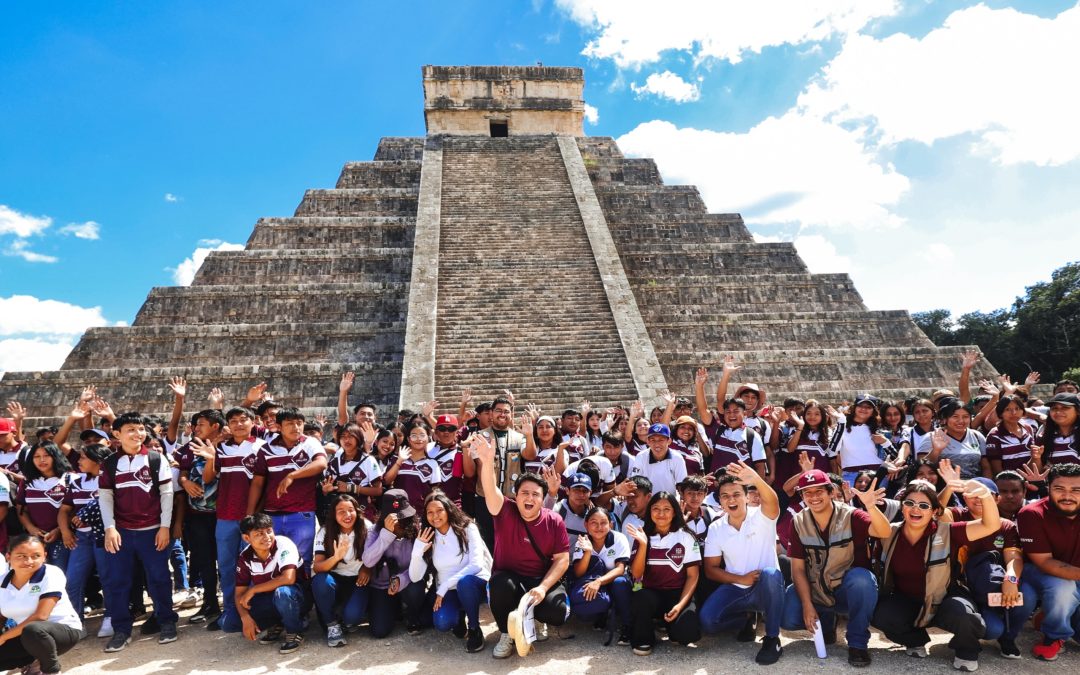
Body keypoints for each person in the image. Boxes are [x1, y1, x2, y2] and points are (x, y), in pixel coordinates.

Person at [863, 477, 1001, 672]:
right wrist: (869, 505)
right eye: (909, 503)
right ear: (902, 507)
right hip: (908, 599)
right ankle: (915, 640)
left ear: (935, 511)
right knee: (880, 614)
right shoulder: (889, 532)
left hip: (946, 598)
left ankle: (966, 650)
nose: (915, 509)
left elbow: (991, 525)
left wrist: (984, 494)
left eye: (923, 505)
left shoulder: (949, 531)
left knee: (967, 617)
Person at [470, 432, 569, 659]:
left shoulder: (554, 520)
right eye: (524, 492)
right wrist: (486, 462)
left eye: (536, 494)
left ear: (543, 499)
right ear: (516, 495)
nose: (530, 498)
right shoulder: (505, 510)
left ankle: (531, 617)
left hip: (538, 580)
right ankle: (506, 633)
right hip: (509, 579)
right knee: (500, 585)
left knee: (557, 611)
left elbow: (562, 560)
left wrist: (543, 588)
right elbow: (490, 489)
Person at [98, 411, 179, 652]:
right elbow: (105, 498)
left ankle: (166, 621)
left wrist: (165, 527)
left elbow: (167, 495)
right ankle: (122, 629)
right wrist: (110, 528)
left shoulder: (156, 459)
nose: (138, 433)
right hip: (121, 533)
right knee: (117, 582)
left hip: (152, 531)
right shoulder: (110, 463)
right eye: (131, 429)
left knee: (159, 579)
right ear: (117, 434)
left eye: (140, 428)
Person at [781, 469, 878, 667]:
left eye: (819, 491)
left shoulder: (852, 515)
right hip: (817, 589)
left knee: (862, 580)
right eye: (807, 492)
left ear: (831, 492)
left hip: (845, 590)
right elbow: (797, 569)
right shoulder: (798, 521)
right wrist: (807, 605)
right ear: (801, 496)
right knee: (788, 618)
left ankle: (858, 644)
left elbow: (882, 531)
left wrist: (870, 506)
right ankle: (827, 622)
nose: (813, 497)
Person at [699, 462, 785, 665]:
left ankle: (772, 638)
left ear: (747, 497)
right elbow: (711, 569)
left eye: (737, 494)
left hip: (765, 588)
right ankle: (746, 618)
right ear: (719, 501)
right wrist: (740, 579)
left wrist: (756, 478)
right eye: (725, 496)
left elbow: (773, 500)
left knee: (772, 574)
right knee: (708, 622)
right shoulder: (716, 528)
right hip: (736, 588)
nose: (731, 499)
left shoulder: (763, 516)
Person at [198, 405, 265, 632]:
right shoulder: (221, 449)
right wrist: (210, 458)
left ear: (253, 422)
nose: (238, 424)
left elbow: (263, 483)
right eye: (233, 420)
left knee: (253, 567)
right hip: (225, 516)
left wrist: (253, 515)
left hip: (253, 519)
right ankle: (230, 613)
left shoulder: (262, 448)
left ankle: (255, 612)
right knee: (227, 568)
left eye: (243, 419)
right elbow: (208, 479)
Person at [247, 407, 328, 576]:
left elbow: (321, 463)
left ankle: (302, 599)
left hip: (301, 514)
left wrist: (293, 475)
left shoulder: (310, 443)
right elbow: (257, 483)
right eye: (290, 423)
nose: (296, 427)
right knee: (272, 559)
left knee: (302, 560)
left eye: (299, 423)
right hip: (272, 516)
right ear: (279, 426)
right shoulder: (266, 449)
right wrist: (250, 514)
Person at [409, 490, 491, 653]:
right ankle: (459, 616)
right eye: (430, 512)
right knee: (442, 622)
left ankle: (474, 628)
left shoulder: (468, 528)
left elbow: (476, 565)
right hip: (449, 591)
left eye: (439, 510)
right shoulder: (429, 535)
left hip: (475, 584)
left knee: (464, 582)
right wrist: (417, 551)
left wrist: (444, 585)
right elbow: (415, 576)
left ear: (448, 509)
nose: (435, 516)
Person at [1016, 462, 1080, 661]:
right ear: (1048, 488)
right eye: (1059, 489)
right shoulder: (1032, 514)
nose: (1068, 496)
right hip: (1038, 571)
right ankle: (1054, 635)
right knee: (1063, 587)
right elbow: (1044, 562)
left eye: (1076, 490)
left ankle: (1050, 615)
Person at [626, 491, 701, 656]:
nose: (661, 514)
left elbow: (692, 575)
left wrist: (680, 605)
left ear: (674, 511)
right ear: (649, 511)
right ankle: (644, 638)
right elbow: (637, 574)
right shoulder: (642, 535)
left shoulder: (686, 536)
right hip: (652, 593)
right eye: (656, 508)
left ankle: (669, 624)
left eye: (667, 509)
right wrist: (644, 545)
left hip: (678, 593)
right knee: (641, 597)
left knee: (687, 634)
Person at [222, 512, 306, 654]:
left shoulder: (283, 544)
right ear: (246, 538)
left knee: (283, 593)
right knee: (228, 622)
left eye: (269, 531)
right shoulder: (245, 556)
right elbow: (239, 594)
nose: (267, 537)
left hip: (297, 596)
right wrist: (245, 617)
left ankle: (294, 631)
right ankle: (276, 623)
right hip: (270, 599)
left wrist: (253, 590)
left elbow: (288, 578)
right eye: (259, 534)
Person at [0, 535, 84, 675]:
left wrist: (3, 638)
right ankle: (30, 662)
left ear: (44, 556)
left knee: (33, 630)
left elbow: (41, 616)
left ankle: (50, 670)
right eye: (21, 556)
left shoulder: (51, 573)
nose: (29, 561)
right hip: (24, 635)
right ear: (8, 556)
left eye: (36, 556)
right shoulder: (2, 581)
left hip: (62, 632)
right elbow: (1, 616)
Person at [57, 443, 112, 633]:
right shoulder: (76, 482)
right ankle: (76, 622)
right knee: (73, 580)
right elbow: (64, 510)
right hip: (81, 538)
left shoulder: (110, 479)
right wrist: (65, 532)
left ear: (97, 460)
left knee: (107, 577)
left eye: (83, 457)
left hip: (106, 536)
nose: (78, 461)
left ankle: (111, 617)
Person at [461, 397, 526, 553]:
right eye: (498, 411)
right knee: (487, 543)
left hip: (511, 498)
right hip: (484, 498)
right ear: (491, 413)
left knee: (512, 541)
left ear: (511, 414)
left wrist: (529, 436)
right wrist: (466, 449)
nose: (502, 414)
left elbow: (530, 456)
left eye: (506, 411)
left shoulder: (520, 437)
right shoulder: (479, 436)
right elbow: (469, 472)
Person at [361, 489, 426, 638]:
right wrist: (387, 535)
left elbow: (422, 566)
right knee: (380, 631)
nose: (400, 522)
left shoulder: (417, 530)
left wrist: (401, 580)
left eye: (403, 517)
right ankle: (395, 608)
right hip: (382, 585)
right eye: (395, 518)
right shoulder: (374, 531)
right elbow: (368, 561)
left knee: (416, 588)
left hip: (408, 582)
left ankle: (411, 615)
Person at [311, 494, 369, 648]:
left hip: (358, 579)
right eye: (341, 511)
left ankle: (345, 615)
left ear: (357, 511)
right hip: (335, 578)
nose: (347, 515)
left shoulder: (367, 527)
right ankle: (332, 625)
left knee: (352, 618)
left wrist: (367, 568)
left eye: (351, 510)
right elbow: (317, 567)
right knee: (320, 581)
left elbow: (377, 555)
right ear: (334, 514)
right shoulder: (325, 531)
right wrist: (336, 557)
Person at [569, 506, 631, 645]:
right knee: (584, 616)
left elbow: (620, 569)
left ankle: (627, 625)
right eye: (593, 523)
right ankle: (601, 613)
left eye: (603, 522)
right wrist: (588, 552)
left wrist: (599, 582)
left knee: (620, 583)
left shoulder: (619, 538)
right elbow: (579, 573)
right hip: (593, 583)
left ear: (611, 524)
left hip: (613, 581)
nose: (599, 527)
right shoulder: (583, 541)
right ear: (586, 525)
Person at [15, 442, 73, 569]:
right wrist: (31, 528)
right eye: (36, 456)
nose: (41, 460)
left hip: (65, 539)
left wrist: (59, 530)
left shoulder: (70, 479)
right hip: (35, 541)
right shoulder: (27, 482)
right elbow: (21, 509)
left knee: (62, 578)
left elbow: (74, 511)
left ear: (55, 456)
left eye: (46, 455)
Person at [919, 398, 989, 480]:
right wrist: (936, 451)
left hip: (974, 486)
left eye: (965, 417)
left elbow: (986, 467)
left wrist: (988, 485)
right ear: (945, 419)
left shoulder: (976, 436)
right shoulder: (932, 437)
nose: (960, 421)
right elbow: (920, 467)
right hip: (945, 486)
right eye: (955, 416)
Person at [628, 424, 687, 495]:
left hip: (669, 501)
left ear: (669, 441)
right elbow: (635, 482)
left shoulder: (677, 458)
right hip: (647, 501)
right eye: (653, 440)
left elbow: (681, 484)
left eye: (661, 440)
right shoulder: (641, 456)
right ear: (648, 441)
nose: (657, 444)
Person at [1037, 393, 1079, 466]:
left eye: (1065, 408)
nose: (1058, 412)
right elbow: (1039, 470)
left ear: (1078, 411)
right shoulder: (1043, 437)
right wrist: (1036, 458)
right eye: (1054, 408)